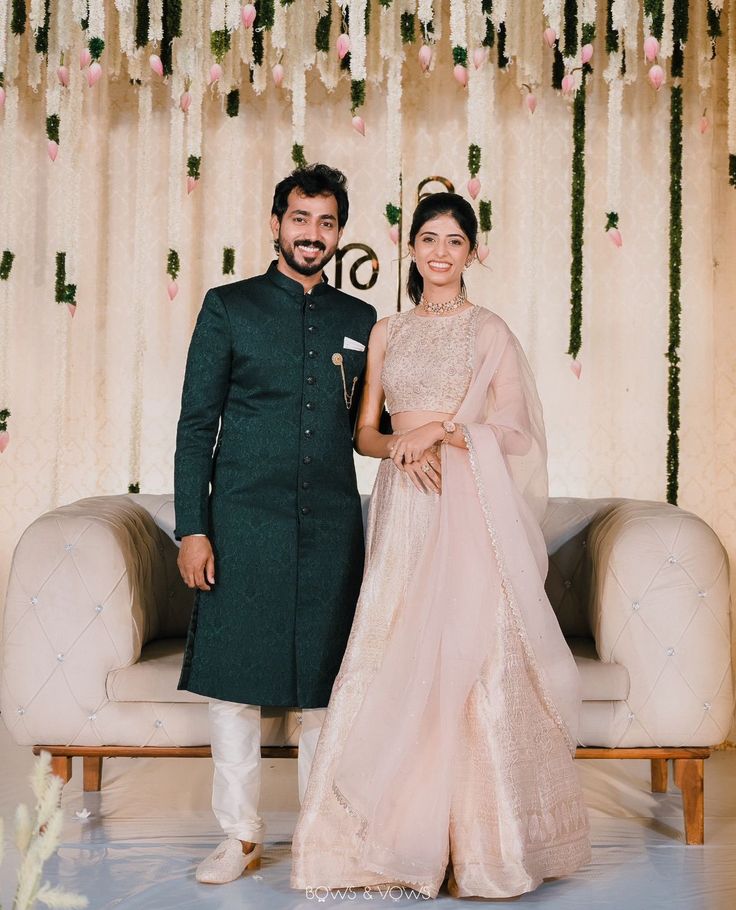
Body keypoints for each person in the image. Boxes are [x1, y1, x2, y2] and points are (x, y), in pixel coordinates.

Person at [291, 193, 591, 899]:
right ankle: (378, 846)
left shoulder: (490, 333)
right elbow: (364, 433)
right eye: (429, 238)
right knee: (392, 651)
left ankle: (480, 848)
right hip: (406, 509)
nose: (440, 253)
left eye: (454, 241)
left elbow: (517, 434)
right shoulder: (387, 331)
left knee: (472, 659)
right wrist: (402, 444)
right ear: (413, 249)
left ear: (472, 251)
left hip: (469, 506)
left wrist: (447, 435)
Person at [174, 164, 377, 884]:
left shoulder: (361, 322)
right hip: (241, 521)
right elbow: (196, 426)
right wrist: (192, 529)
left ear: (339, 232)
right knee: (234, 686)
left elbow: (371, 428)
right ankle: (241, 837)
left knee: (325, 684)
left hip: (328, 526)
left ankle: (322, 835)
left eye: (325, 222)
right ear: (275, 224)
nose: (311, 234)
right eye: (299, 219)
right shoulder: (228, 307)